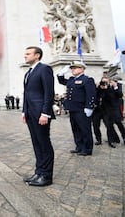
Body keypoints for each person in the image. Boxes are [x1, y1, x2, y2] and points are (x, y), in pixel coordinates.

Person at [22, 46, 55, 187]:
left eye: (28, 54)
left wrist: (45, 113)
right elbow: (26, 94)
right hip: (30, 114)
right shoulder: (28, 72)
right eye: (25, 54)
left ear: (37, 55)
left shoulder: (44, 69)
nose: (25, 56)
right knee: (36, 144)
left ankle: (46, 176)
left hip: (41, 114)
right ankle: (39, 172)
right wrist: (24, 111)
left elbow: (49, 93)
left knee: (44, 144)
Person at [57, 61, 96, 156]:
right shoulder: (71, 80)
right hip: (72, 108)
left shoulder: (87, 80)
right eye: (72, 68)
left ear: (82, 69)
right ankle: (79, 146)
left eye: (75, 68)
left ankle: (87, 149)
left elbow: (91, 94)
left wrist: (89, 107)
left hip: (82, 109)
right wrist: (61, 73)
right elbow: (62, 81)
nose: (72, 70)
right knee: (76, 129)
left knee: (85, 129)